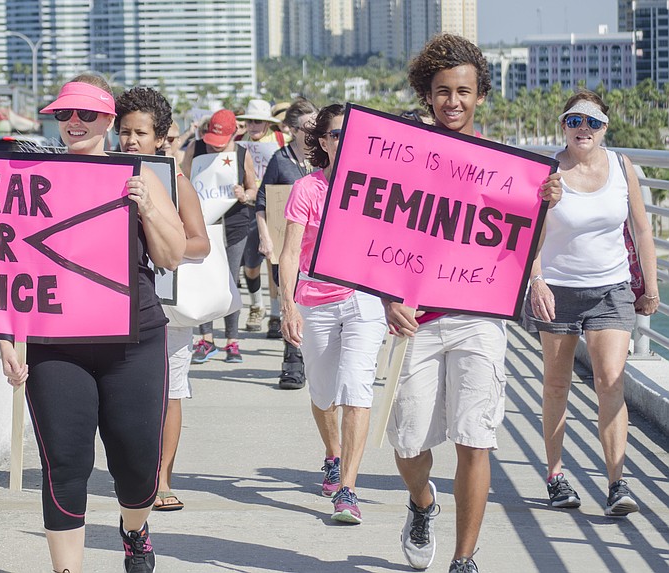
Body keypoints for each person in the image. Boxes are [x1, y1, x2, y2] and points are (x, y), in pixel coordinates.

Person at [384, 34, 562, 573]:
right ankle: (421, 501)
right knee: (409, 441)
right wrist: (390, 297)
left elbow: (518, 243)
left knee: (474, 439)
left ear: (480, 94)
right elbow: (379, 232)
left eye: (463, 91)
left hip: (479, 318)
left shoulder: (503, 167)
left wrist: (545, 205)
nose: (453, 102)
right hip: (417, 319)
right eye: (442, 91)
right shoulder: (406, 156)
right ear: (427, 94)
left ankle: (464, 558)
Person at [0, 74, 186, 573]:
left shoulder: (142, 176)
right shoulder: (32, 179)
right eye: (64, 115)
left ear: (109, 120)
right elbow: (3, 264)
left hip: (135, 341)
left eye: (86, 114)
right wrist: (4, 339)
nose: (74, 123)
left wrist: (145, 206)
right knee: (65, 466)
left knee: (137, 467)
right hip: (55, 342)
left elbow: (171, 257)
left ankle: (134, 528)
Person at [524, 90, 659, 517]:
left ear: (605, 127)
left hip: (611, 290)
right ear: (563, 125)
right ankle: (556, 476)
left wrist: (650, 288)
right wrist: (537, 281)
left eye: (593, 122)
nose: (584, 129)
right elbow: (530, 235)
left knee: (610, 382)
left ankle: (617, 482)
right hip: (558, 290)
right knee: (557, 384)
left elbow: (642, 230)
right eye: (574, 120)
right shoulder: (548, 171)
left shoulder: (622, 167)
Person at [279, 103, 387, 524]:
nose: (343, 140)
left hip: (363, 300)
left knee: (355, 389)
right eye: (335, 134)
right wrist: (288, 306)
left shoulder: (377, 186)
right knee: (324, 394)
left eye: (350, 133)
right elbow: (290, 254)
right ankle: (332, 454)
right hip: (315, 300)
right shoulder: (307, 188)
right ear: (322, 141)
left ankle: (348, 489)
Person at [115, 86, 211, 513]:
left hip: (166, 305)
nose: (131, 140)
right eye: (124, 131)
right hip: (117, 303)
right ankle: (135, 473)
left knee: (169, 393)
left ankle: (164, 477)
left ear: (161, 137)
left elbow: (201, 244)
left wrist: (162, 243)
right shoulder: (105, 173)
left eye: (140, 133)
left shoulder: (176, 181)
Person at [182, 109, 258, 363]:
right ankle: (206, 339)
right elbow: (183, 178)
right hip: (203, 223)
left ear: (233, 134)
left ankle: (232, 341)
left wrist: (243, 195)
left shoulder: (241, 154)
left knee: (230, 281)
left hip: (235, 224)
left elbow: (253, 189)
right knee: (206, 279)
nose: (215, 148)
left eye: (220, 143)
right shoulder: (196, 147)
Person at [255, 97, 318, 389]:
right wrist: (266, 237)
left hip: (318, 248)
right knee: (290, 299)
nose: (314, 131)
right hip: (288, 244)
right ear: (293, 130)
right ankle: (292, 363)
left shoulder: (324, 159)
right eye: (308, 126)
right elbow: (263, 201)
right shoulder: (281, 160)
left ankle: (313, 359)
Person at [237, 99, 286, 333]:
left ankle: (275, 314)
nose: (253, 125)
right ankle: (257, 305)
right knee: (250, 265)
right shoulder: (237, 145)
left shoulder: (280, 142)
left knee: (274, 263)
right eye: (249, 121)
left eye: (257, 121)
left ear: (267, 124)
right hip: (248, 207)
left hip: (275, 206)